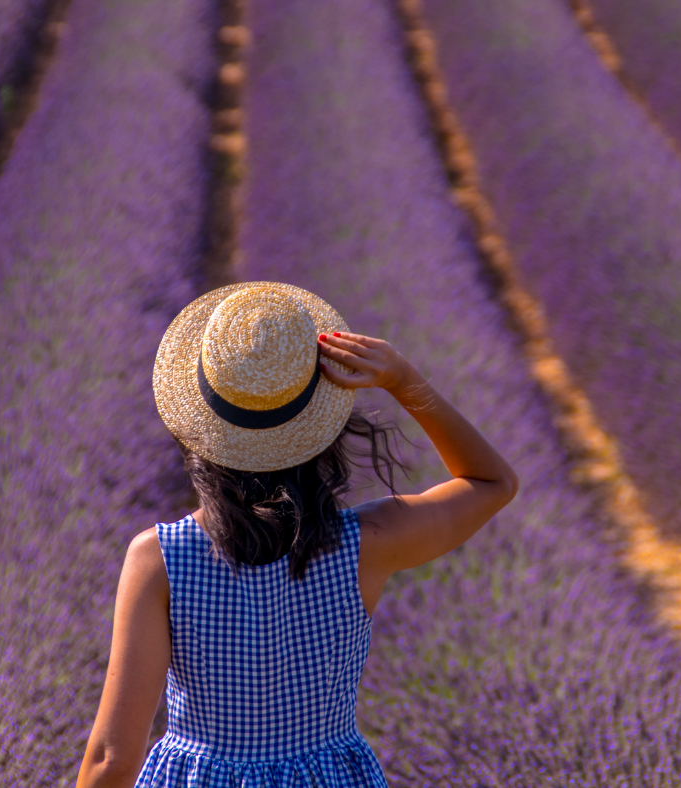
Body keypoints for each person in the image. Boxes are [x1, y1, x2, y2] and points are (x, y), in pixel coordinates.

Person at [75, 282, 518, 788]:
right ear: (323, 426)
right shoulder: (367, 543)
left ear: (200, 428)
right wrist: (403, 379)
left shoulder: (161, 558)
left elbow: (112, 757)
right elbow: (492, 482)